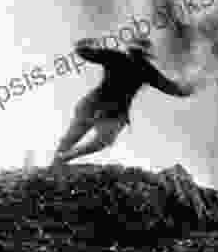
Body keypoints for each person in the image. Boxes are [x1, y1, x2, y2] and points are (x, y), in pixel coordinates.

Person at [51, 37, 198, 167]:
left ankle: (59, 160)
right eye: (138, 54)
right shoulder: (144, 69)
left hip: (97, 106)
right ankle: (62, 158)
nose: (136, 56)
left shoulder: (117, 57)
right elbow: (172, 88)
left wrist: (83, 46)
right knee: (96, 140)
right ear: (146, 55)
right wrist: (190, 87)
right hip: (109, 111)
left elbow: (85, 53)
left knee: (77, 137)